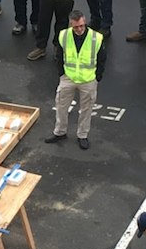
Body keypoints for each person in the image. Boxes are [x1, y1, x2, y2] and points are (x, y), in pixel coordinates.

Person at [44, 10, 106, 150]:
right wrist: (61, 73)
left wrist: (97, 77)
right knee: (60, 105)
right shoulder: (64, 35)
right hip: (68, 78)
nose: (79, 29)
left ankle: (82, 135)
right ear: (71, 24)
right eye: (76, 26)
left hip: (88, 80)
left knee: (86, 109)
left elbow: (102, 59)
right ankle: (60, 132)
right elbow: (59, 56)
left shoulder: (96, 38)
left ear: (85, 22)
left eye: (81, 26)